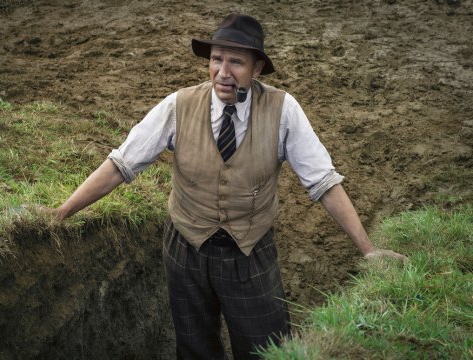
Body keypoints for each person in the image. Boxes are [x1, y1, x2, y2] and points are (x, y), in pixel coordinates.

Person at [39, 13, 406, 359]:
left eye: (236, 62)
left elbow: (324, 182)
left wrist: (368, 249)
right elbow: (122, 164)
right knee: (195, 347)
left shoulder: (283, 110)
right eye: (216, 59)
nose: (223, 73)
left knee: (267, 349)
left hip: (250, 254)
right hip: (185, 250)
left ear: (257, 67)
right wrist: (62, 211)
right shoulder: (178, 106)